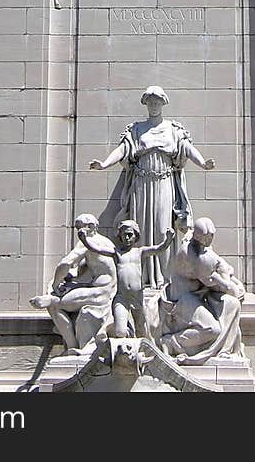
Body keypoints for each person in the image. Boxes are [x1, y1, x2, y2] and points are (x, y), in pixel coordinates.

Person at [88, 85, 216, 287]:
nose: (154, 105)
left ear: (163, 103)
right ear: (146, 104)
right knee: (141, 230)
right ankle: (142, 277)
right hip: (141, 186)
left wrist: (203, 163)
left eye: (157, 101)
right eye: (150, 102)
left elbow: (187, 149)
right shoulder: (137, 129)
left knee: (162, 227)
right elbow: (123, 150)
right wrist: (104, 164)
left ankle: (165, 278)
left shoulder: (173, 129)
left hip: (164, 185)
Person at [160, 214, 246, 361]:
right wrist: (232, 285)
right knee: (213, 329)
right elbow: (221, 284)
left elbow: (219, 264)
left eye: (211, 237)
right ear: (201, 237)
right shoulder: (190, 255)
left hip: (199, 296)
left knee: (233, 304)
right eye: (208, 238)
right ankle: (172, 342)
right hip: (182, 301)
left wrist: (234, 281)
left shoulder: (200, 247)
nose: (210, 240)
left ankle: (224, 351)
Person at [30, 213, 117, 355]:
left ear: (90, 227)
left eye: (79, 227)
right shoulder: (106, 242)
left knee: (54, 304)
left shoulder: (87, 241)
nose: (78, 231)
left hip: (101, 292)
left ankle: (72, 346)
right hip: (106, 289)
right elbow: (84, 270)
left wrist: (55, 285)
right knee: (58, 300)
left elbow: (65, 263)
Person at [79, 219, 174, 340]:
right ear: (120, 236)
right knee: (120, 331)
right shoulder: (116, 253)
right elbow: (97, 248)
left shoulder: (140, 252)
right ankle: (123, 348)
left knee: (142, 331)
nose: (127, 238)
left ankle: (141, 353)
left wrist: (168, 239)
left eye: (130, 234)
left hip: (137, 297)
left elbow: (159, 249)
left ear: (136, 236)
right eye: (124, 235)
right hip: (121, 298)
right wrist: (84, 239)